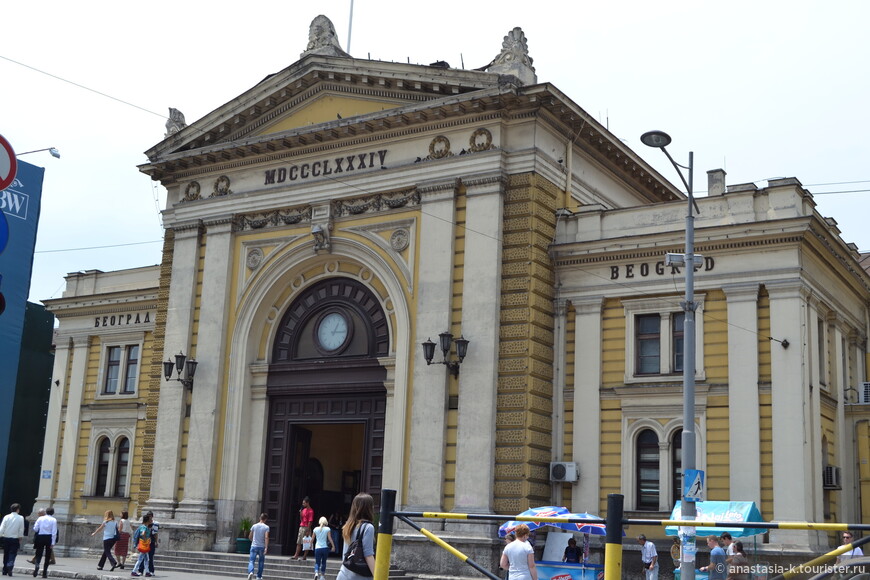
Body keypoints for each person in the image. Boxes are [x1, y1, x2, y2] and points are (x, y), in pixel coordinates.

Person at [337, 493, 376, 580]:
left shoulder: (348, 525)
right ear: (368, 508)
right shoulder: (368, 527)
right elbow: (368, 554)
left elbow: (345, 554)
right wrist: (378, 576)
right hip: (359, 576)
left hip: (344, 573)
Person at [32, 507, 57, 578]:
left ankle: (37, 565)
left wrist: (40, 529)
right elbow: (54, 532)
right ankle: (44, 572)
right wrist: (53, 542)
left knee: (39, 552)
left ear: (46, 512)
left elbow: (35, 528)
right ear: (53, 513)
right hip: (49, 537)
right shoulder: (54, 520)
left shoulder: (40, 518)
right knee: (48, 555)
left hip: (40, 536)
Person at [0, 503, 25, 576]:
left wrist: (0, 535)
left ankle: (4, 569)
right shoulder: (20, 518)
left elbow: (2, 527)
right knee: (12, 553)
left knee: (6, 554)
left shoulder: (6, 517)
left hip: (6, 538)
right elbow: (21, 529)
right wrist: (20, 537)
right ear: (17, 510)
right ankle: (10, 565)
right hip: (15, 538)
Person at [247, 513, 269, 580]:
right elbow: (266, 537)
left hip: (254, 545)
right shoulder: (266, 527)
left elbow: (250, 536)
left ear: (260, 518)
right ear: (265, 519)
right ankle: (259, 576)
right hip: (261, 546)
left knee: (251, 561)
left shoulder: (254, 526)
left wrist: (252, 540)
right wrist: (266, 547)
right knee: (261, 561)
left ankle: (251, 572)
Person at [145, 511, 159, 576]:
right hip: (145, 542)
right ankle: (141, 570)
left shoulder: (155, 524)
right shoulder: (145, 523)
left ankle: (151, 570)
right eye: (148, 516)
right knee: (143, 557)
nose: (149, 517)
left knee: (150, 557)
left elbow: (155, 534)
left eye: (150, 516)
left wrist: (156, 542)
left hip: (151, 541)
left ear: (152, 516)